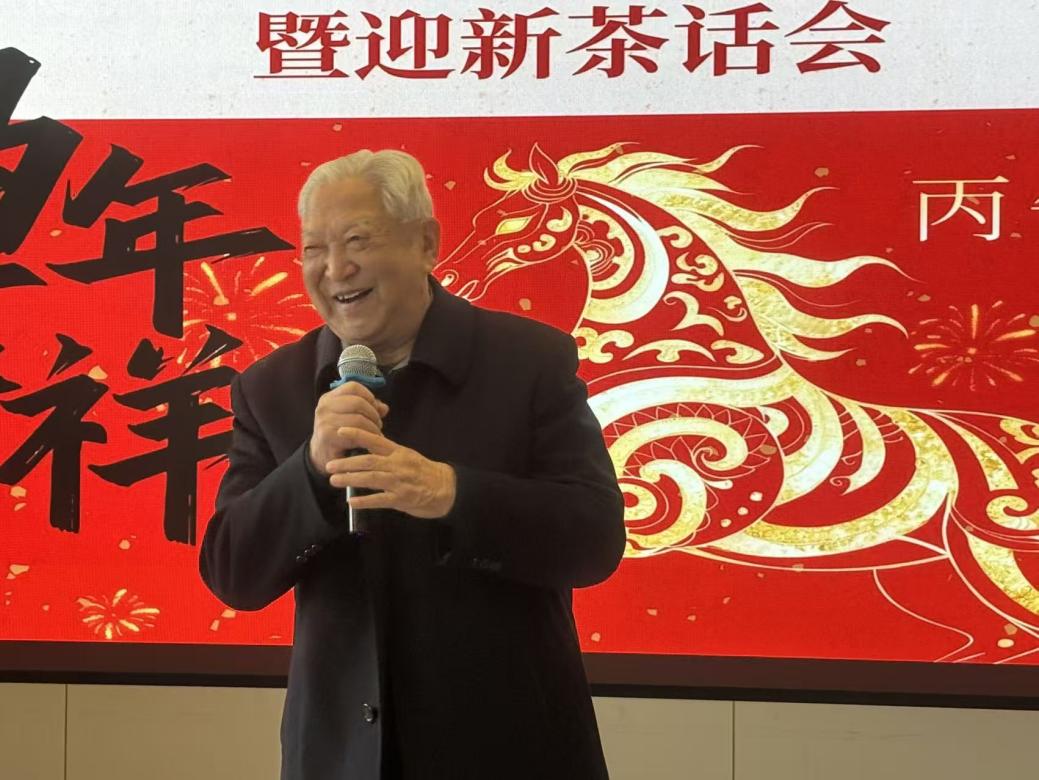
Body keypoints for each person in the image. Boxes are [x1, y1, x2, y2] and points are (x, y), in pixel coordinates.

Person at [199, 149, 626, 780]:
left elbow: (594, 538)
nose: (336, 269)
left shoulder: (528, 361)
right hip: (342, 757)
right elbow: (233, 572)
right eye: (314, 249)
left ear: (427, 243)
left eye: (358, 241)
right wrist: (310, 469)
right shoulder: (273, 388)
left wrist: (451, 493)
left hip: (511, 747)